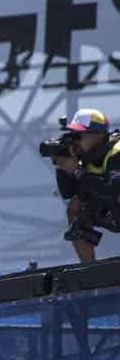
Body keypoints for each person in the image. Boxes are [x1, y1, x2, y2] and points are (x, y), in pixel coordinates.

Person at [46, 108, 120, 263]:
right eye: (73, 136)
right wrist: (61, 165)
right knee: (75, 207)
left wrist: (78, 172)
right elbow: (68, 193)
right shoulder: (86, 158)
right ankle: (89, 268)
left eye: (78, 136)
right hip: (114, 213)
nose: (75, 141)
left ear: (98, 135)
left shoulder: (116, 152)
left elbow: (113, 190)